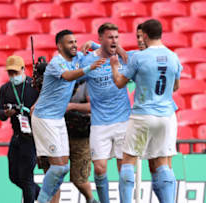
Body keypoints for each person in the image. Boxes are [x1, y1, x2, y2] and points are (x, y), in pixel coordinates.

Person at [110, 19, 182, 203]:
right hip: (167, 116)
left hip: (143, 115)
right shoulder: (173, 57)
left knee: (128, 160)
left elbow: (119, 83)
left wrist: (113, 67)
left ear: (146, 36)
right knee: (162, 163)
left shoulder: (139, 58)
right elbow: (176, 87)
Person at [31, 29, 105, 203]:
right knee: (57, 167)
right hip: (44, 118)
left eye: (75, 41)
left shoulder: (78, 58)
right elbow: (68, 76)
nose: (74, 45)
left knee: (62, 168)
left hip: (57, 119)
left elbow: (107, 53)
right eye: (69, 42)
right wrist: (89, 68)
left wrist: (94, 45)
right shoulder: (57, 63)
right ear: (59, 46)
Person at [80, 23, 131, 203]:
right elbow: (71, 76)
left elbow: (135, 57)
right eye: (110, 37)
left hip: (123, 120)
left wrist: (96, 45)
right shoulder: (87, 62)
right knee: (100, 169)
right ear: (101, 38)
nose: (114, 41)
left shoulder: (124, 59)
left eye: (116, 37)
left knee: (124, 169)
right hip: (100, 123)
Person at [0, 55, 40, 203]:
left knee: (26, 177)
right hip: (16, 135)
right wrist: (6, 113)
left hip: (32, 136)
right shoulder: (5, 89)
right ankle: (42, 194)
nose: (13, 76)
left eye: (15, 72)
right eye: (10, 73)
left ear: (23, 69)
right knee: (14, 176)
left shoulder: (34, 85)